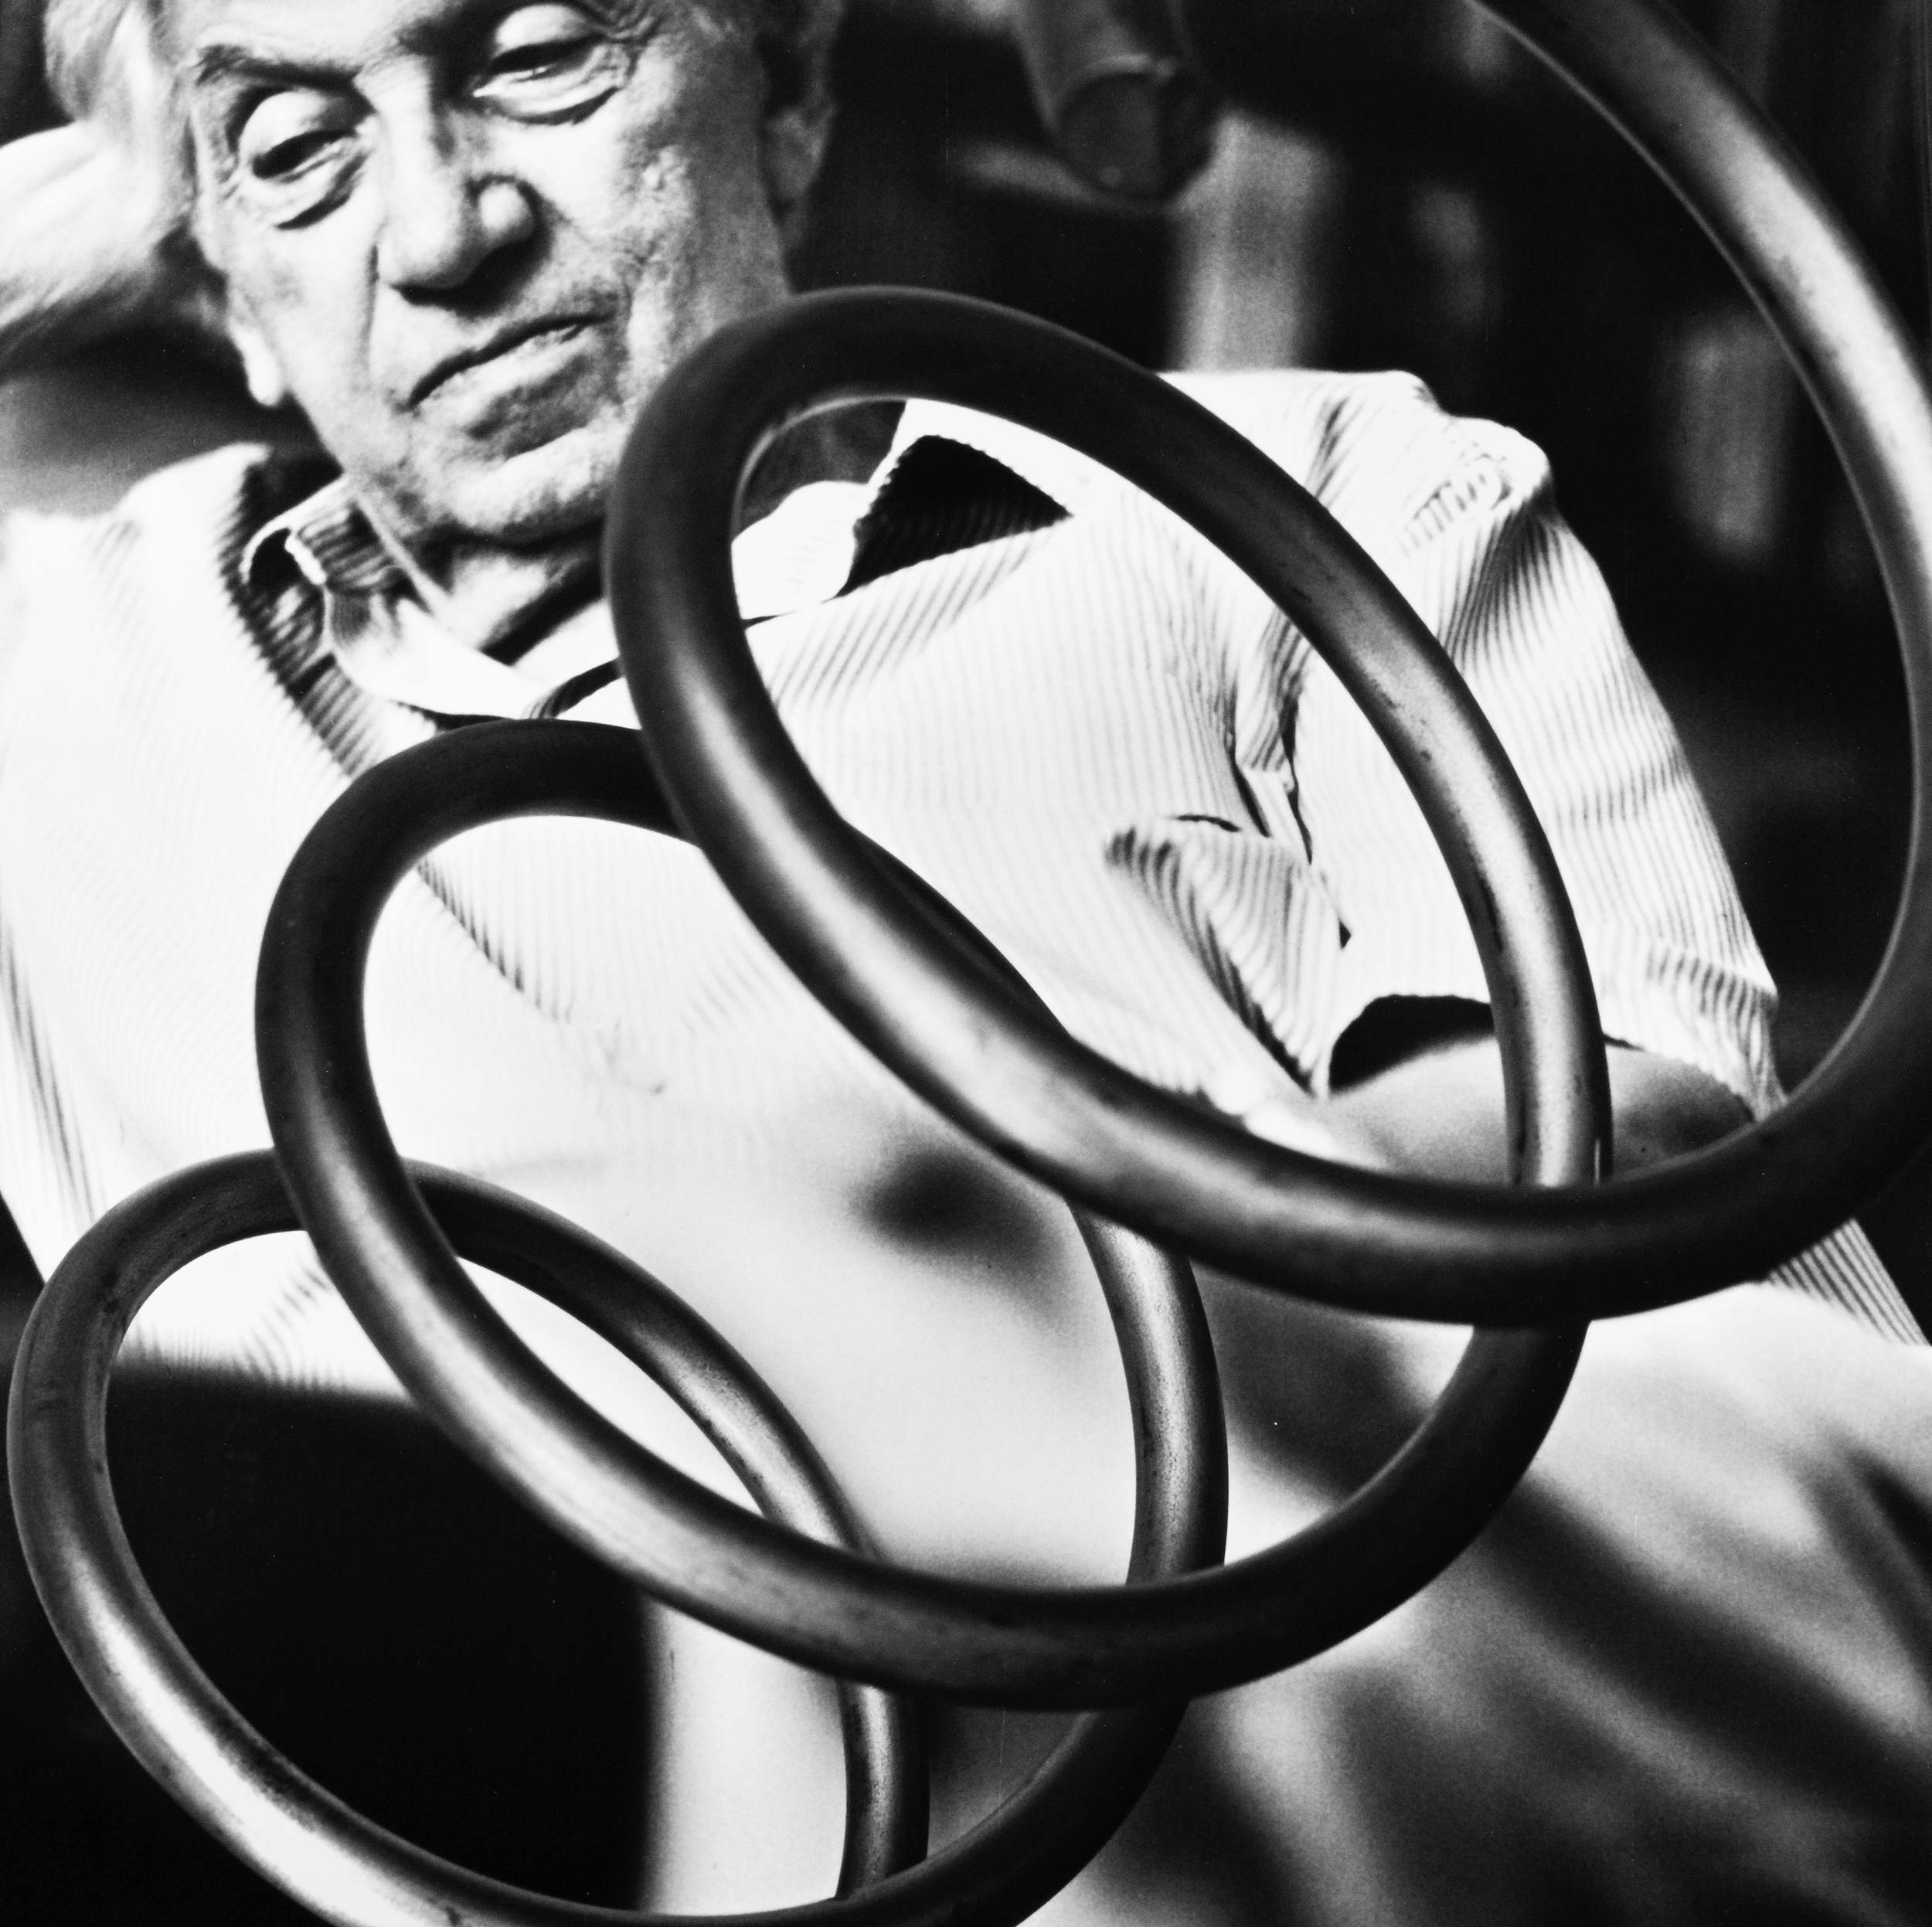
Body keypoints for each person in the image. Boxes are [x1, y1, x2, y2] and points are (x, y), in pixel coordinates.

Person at [0, 1, 1929, 1921]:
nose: (442, 233)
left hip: (1323, 1535)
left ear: (790, 92)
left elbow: (1615, 1123)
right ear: (211, 285)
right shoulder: (65, 687)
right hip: (480, 1741)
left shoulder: (1292, 492)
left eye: (540, 57)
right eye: (300, 152)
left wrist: (1045, 1259)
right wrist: (151, 184)